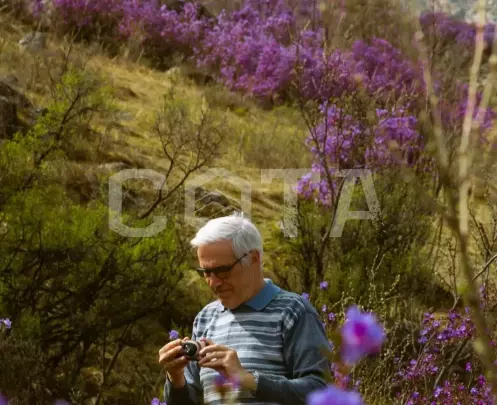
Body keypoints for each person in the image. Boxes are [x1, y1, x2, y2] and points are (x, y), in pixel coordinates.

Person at [159, 212, 331, 405]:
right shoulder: (206, 318)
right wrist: (176, 378)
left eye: (222, 271)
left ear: (254, 259)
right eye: (206, 272)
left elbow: (320, 391)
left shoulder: (294, 312)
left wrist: (248, 380)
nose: (213, 283)